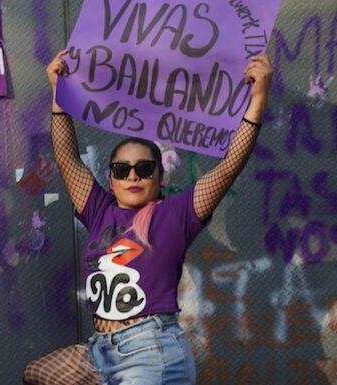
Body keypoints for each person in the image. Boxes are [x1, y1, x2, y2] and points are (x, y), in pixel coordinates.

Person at [24, 50, 273, 385]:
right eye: (121, 170)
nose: (133, 176)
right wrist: (59, 96)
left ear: (160, 179)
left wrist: (257, 101)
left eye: (144, 169)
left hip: (149, 349)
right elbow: (68, 160)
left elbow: (229, 168)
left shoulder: (175, 214)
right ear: (110, 178)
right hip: (99, 351)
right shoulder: (99, 211)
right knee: (38, 373)